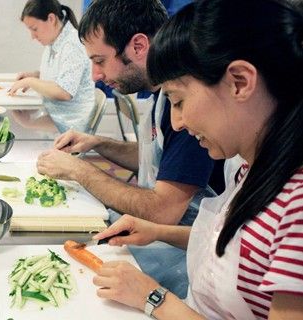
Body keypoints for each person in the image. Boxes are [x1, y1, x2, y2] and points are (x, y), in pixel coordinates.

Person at [92, 0, 303, 318]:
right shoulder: (251, 167)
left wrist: (153, 298)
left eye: (178, 100)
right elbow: (241, 247)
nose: (177, 122)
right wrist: (157, 231)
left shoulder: (296, 205)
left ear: (240, 82)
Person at [36, 0, 220, 297]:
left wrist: (80, 170)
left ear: (138, 46)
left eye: (99, 61)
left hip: (183, 263)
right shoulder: (160, 95)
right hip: (158, 240)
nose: (96, 75)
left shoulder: (190, 111)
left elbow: (163, 211)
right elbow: (160, 160)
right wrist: (99, 143)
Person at [8, 0, 96, 133]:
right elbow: (60, 75)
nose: (32, 36)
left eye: (34, 29)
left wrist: (30, 81)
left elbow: (64, 92)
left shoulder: (72, 45)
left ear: (51, 19)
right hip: (55, 117)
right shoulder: (55, 41)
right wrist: (36, 75)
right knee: (17, 125)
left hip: (70, 127)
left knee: (19, 128)